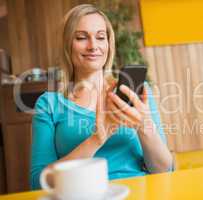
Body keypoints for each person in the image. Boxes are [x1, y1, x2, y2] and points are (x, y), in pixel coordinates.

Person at [30, 4, 173, 190]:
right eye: (81, 37)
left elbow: (164, 170)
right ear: (67, 45)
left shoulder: (137, 93)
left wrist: (143, 125)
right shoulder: (48, 104)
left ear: (108, 44)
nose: (93, 46)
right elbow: (38, 183)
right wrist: (97, 138)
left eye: (100, 37)